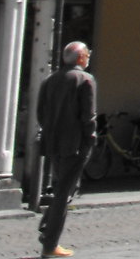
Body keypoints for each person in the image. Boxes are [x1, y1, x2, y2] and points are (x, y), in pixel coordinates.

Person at [36, 40, 98, 259]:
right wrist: (90, 140)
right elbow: (88, 115)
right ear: (81, 58)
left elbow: (41, 112)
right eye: (87, 54)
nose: (88, 57)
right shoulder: (84, 79)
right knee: (64, 191)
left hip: (53, 143)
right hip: (75, 144)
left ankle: (47, 231)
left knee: (63, 187)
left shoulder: (50, 80)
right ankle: (49, 243)